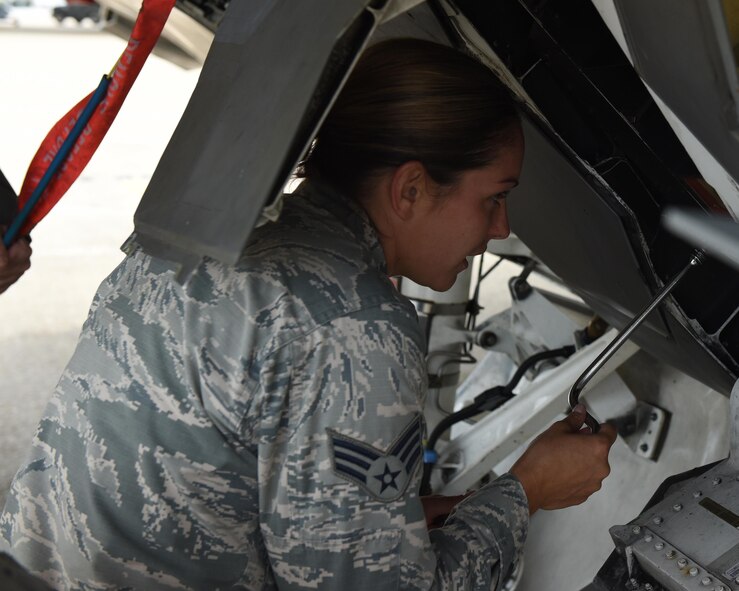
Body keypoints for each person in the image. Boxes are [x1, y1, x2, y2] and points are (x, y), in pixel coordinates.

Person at [0, 38, 616, 590]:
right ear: (410, 190)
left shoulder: (205, 239)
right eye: (494, 199)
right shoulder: (353, 330)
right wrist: (524, 492)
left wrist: (391, 523)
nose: (502, 230)